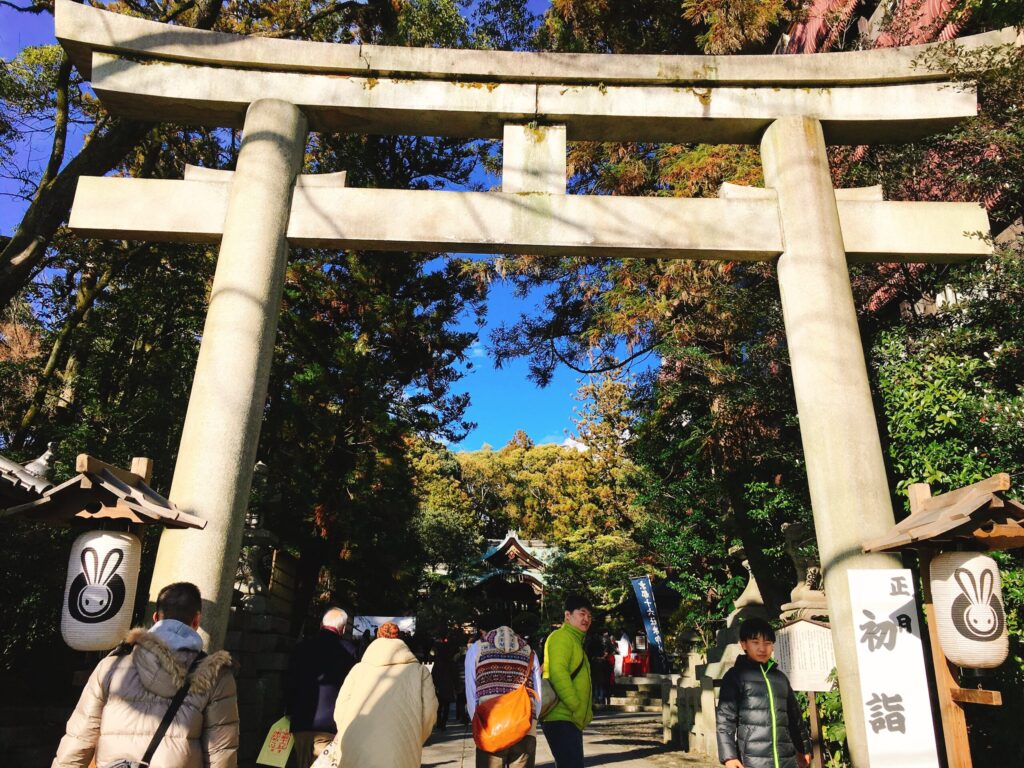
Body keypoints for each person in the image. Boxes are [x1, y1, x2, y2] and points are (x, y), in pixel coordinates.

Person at [52, 581, 239, 768]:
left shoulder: (112, 666)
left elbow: (79, 738)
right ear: (196, 621)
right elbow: (220, 753)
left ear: (156, 618)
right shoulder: (215, 676)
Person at [330, 622, 437, 768]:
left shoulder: (357, 670)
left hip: (355, 748)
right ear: (399, 637)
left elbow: (340, 710)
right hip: (400, 749)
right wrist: (414, 737)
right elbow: (429, 712)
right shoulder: (419, 672)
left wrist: (348, 733)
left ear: (377, 636)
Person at [716, 617, 811, 768]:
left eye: (767, 643)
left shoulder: (780, 678)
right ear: (744, 644)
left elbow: (795, 718)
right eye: (755, 642)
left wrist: (804, 748)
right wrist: (729, 757)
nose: (762, 648)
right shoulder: (735, 676)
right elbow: (725, 719)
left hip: (786, 759)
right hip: (752, 760)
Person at [285, 607, 357, 767]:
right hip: (330, 724)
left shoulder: (301, 647)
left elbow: (290, 683)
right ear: (343, 629)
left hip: (300, 722)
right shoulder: (348, 651)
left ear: (321, 624)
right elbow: (352, 690)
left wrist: (289, 712)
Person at [466, 625, 543, 768]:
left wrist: (478, 724)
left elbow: (471, 692)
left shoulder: (476, 650)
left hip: (489, 727)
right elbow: (538, 694)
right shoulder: (529, 651)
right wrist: (531, 723)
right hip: (524, 728)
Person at [540, 595, 593, 768]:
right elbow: (558, 673)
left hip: (568, 718)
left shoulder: (574, 640)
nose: (586, 619)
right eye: (582, 613)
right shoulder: (561, 637)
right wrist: (576, 705)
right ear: (567, 615)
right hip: (561, 717)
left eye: (589, 616)